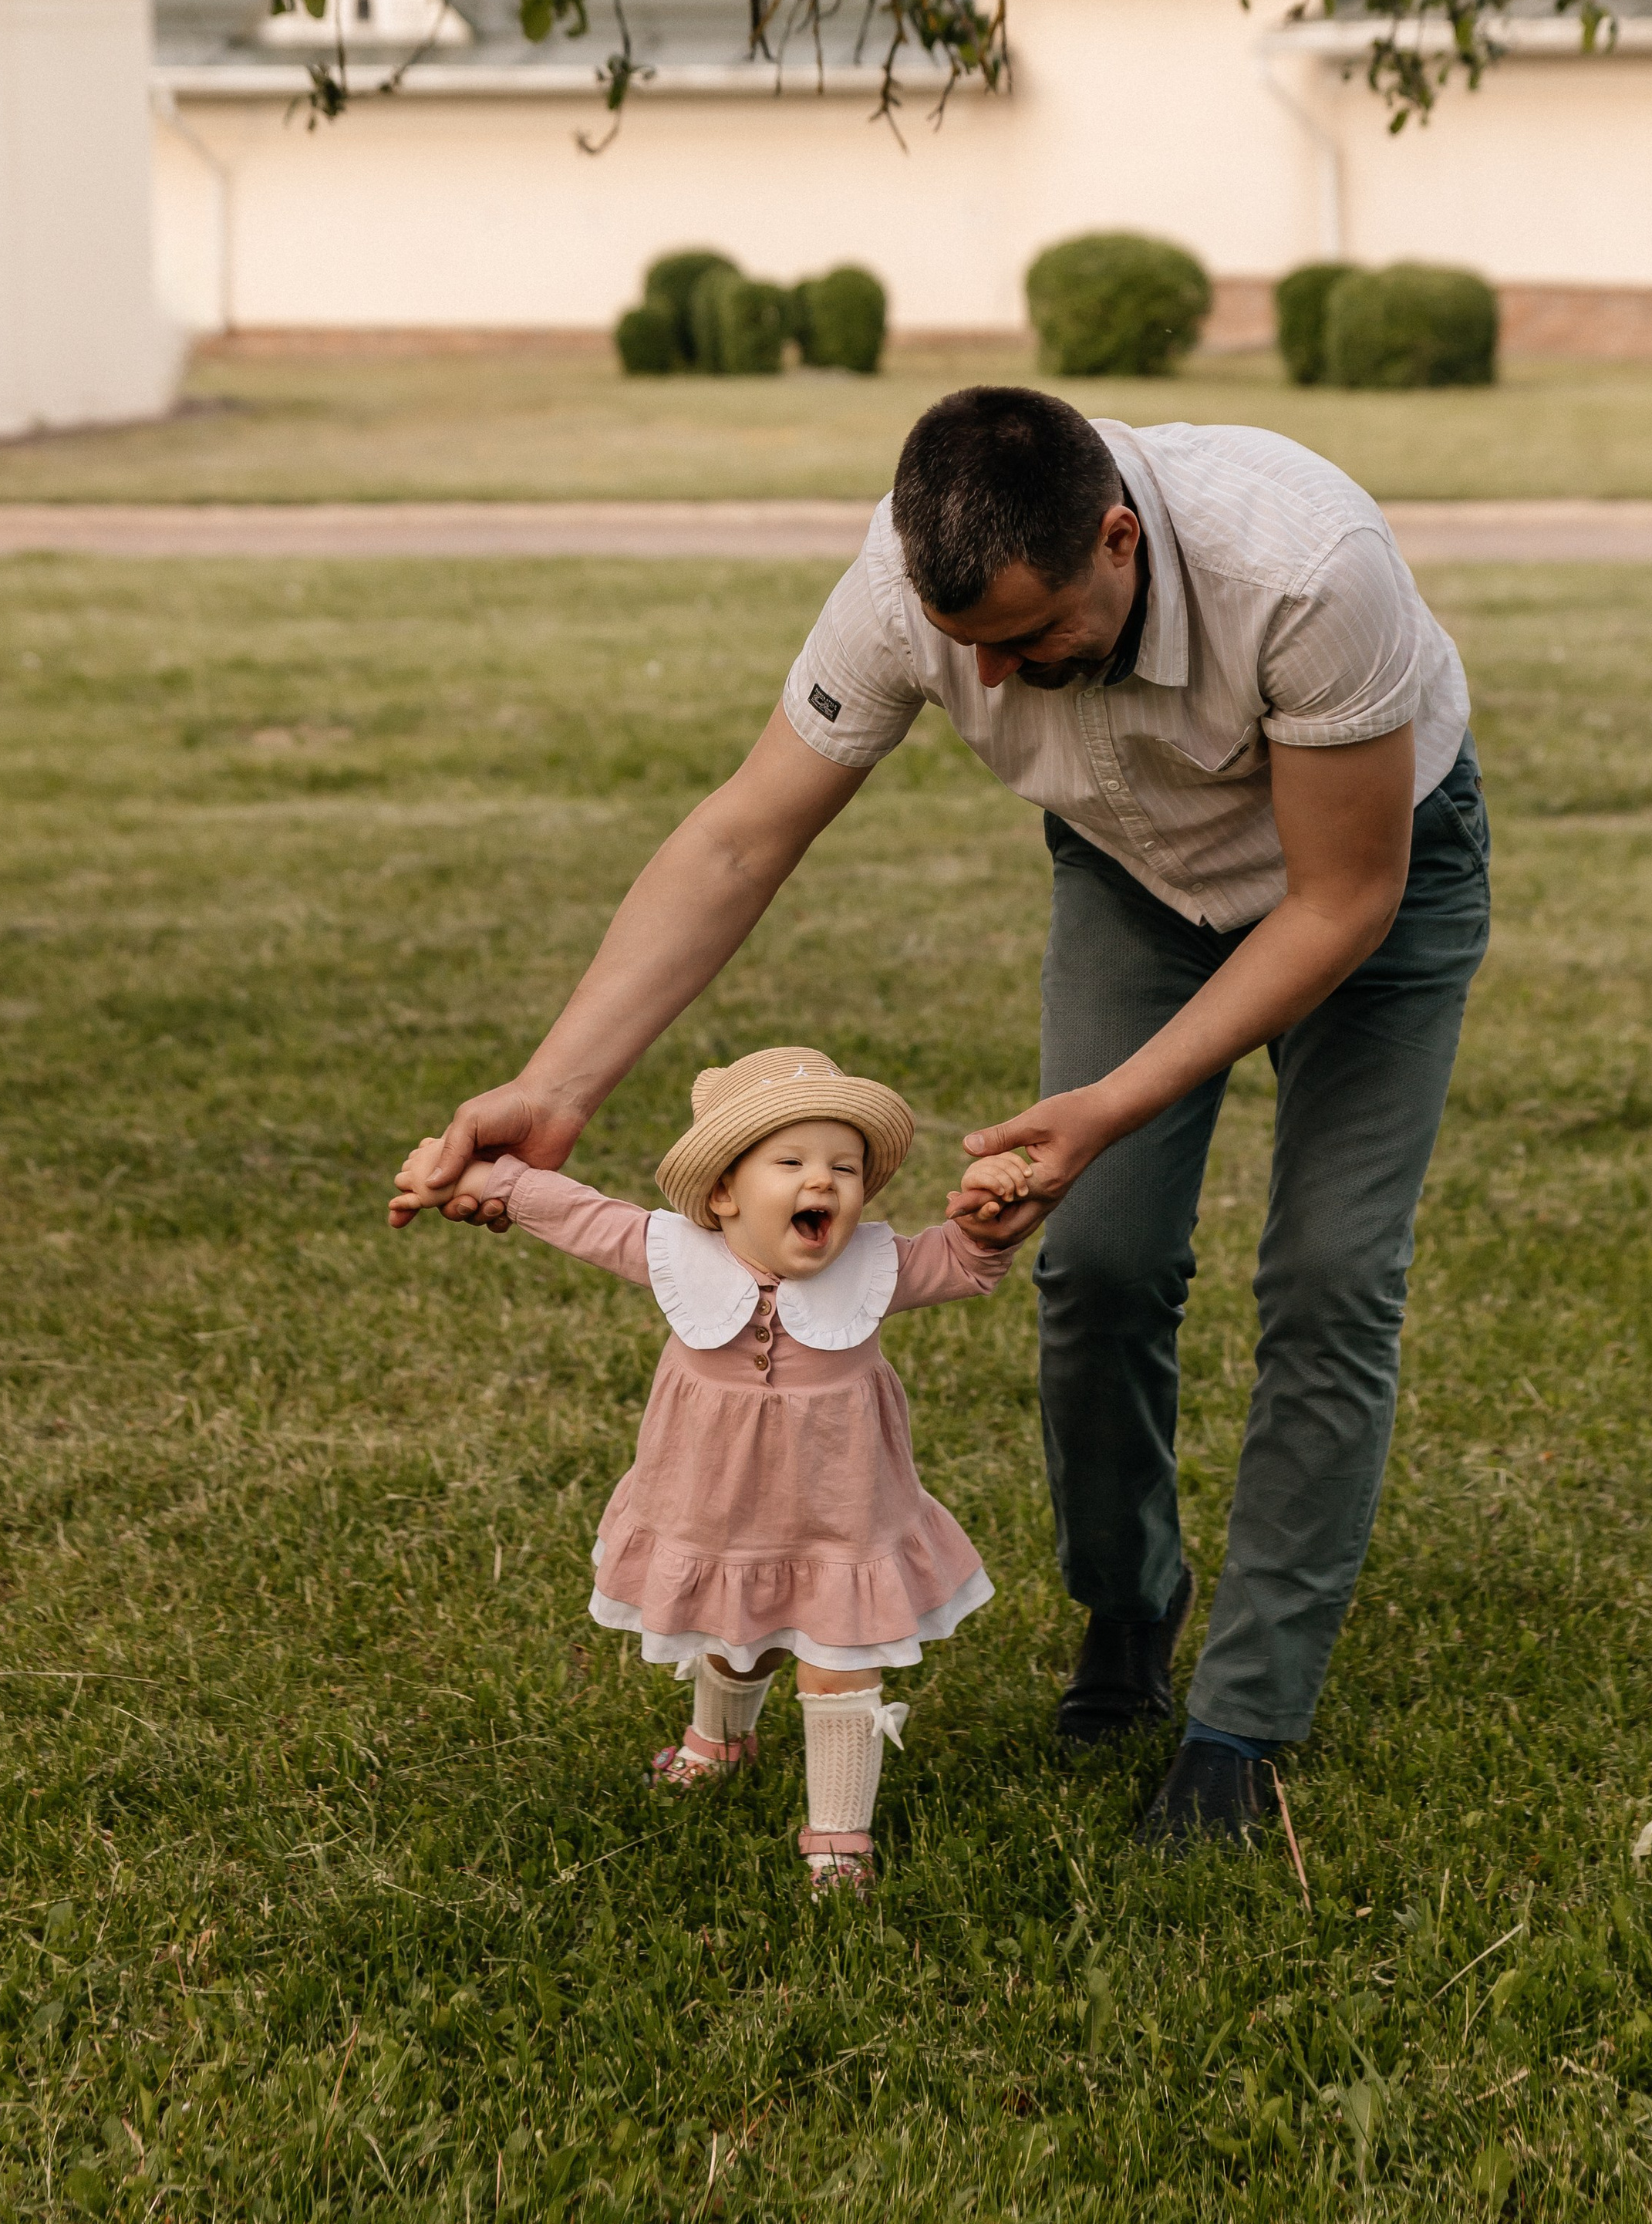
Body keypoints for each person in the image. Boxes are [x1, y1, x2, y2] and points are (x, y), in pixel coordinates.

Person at [409, 387, 1491, 1851]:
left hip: (1375, 882)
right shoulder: (902, 590)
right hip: (1135, 875)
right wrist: (557, 1087)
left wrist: (1110, 1102)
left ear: (1118, 540)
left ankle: (1246, 1717)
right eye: (966, 650)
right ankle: (1128, 1605)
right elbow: (742, 836)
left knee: (1328, 1279)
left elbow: (1335, 900)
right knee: (1095, 1266)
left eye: (1028, 643)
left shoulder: (1305, 569)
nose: (993, 680)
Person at [392, 1045, 1034, 1894]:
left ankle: (839, 1835)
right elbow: (574, 1210)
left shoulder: (874, 1265)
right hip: (713, 1504)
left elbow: (962, 1262)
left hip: (841, 1513)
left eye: (845, 1166)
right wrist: (476, 1175)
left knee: (838, 1652)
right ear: (724, 1193)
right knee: (734, 1631)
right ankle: (720, 1743)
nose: (827, 1182)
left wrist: (988, 1224)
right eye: (793, 1162)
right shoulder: (671, 1253)